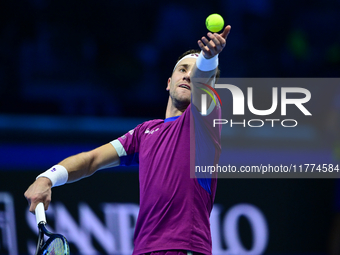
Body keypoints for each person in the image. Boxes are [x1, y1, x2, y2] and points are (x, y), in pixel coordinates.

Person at [24, 25, 231, 255]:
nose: (188, 75)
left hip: (184, 248)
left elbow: (204, 83)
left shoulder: (205, 122)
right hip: (144, 250)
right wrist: (46, 178)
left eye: (196, 72)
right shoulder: (145, 132)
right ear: (168, 81)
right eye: (182, 69)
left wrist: (209, 60)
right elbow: (91, 160)